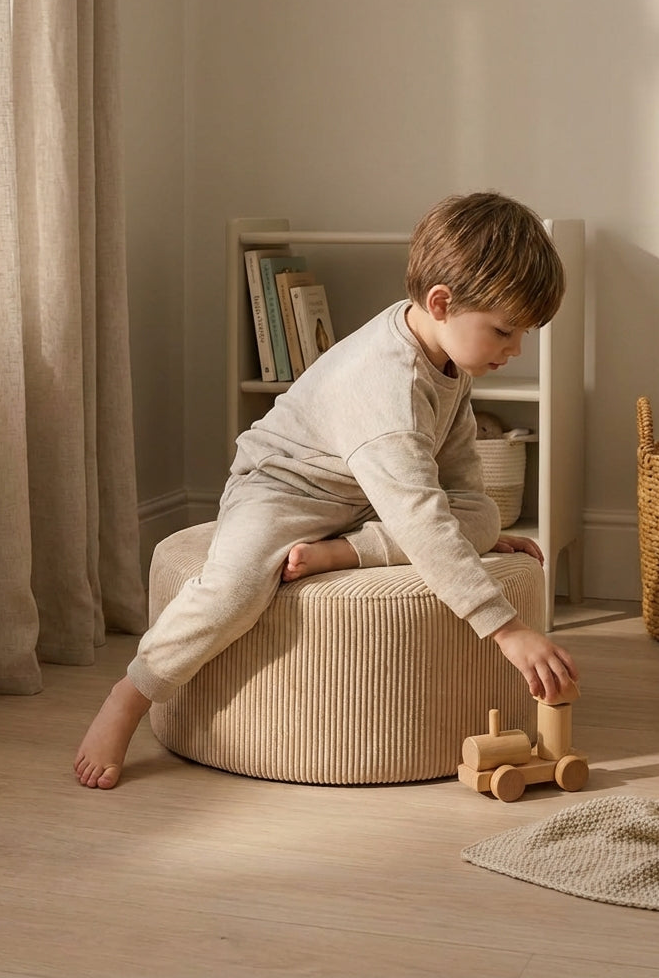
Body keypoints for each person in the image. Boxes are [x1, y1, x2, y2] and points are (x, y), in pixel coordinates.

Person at [75, 190, 580, 789]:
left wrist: (480, 533)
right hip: (285, 487)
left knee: (484, 514)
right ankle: (129, 695)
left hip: (366, 495)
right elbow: (419, 513)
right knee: (232, 588)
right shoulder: (385, 385)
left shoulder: (448, 358)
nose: (514, 350)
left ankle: (345, 550)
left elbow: (458, 471)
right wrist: (505, 627)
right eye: (504, 332)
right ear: (441, 303)